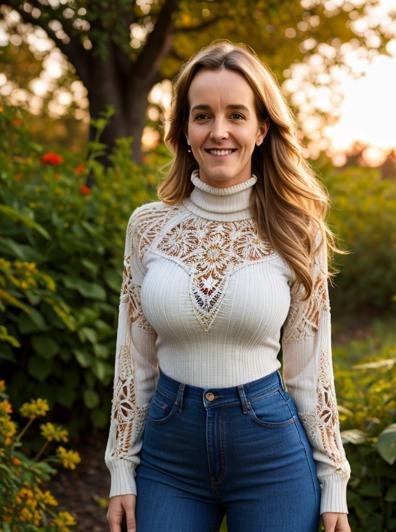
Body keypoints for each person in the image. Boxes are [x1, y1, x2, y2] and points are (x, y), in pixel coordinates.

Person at [105, 39, 351, 532]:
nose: (219, 132)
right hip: (169, 456)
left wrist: (334, 485)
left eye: (236, 115)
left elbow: (310, 368)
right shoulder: (149, 227)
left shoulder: (296, 229)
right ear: (185, 131)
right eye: (203, 116)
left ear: (261, 128)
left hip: (270, 454)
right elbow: (134, 359)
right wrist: (121, 471)